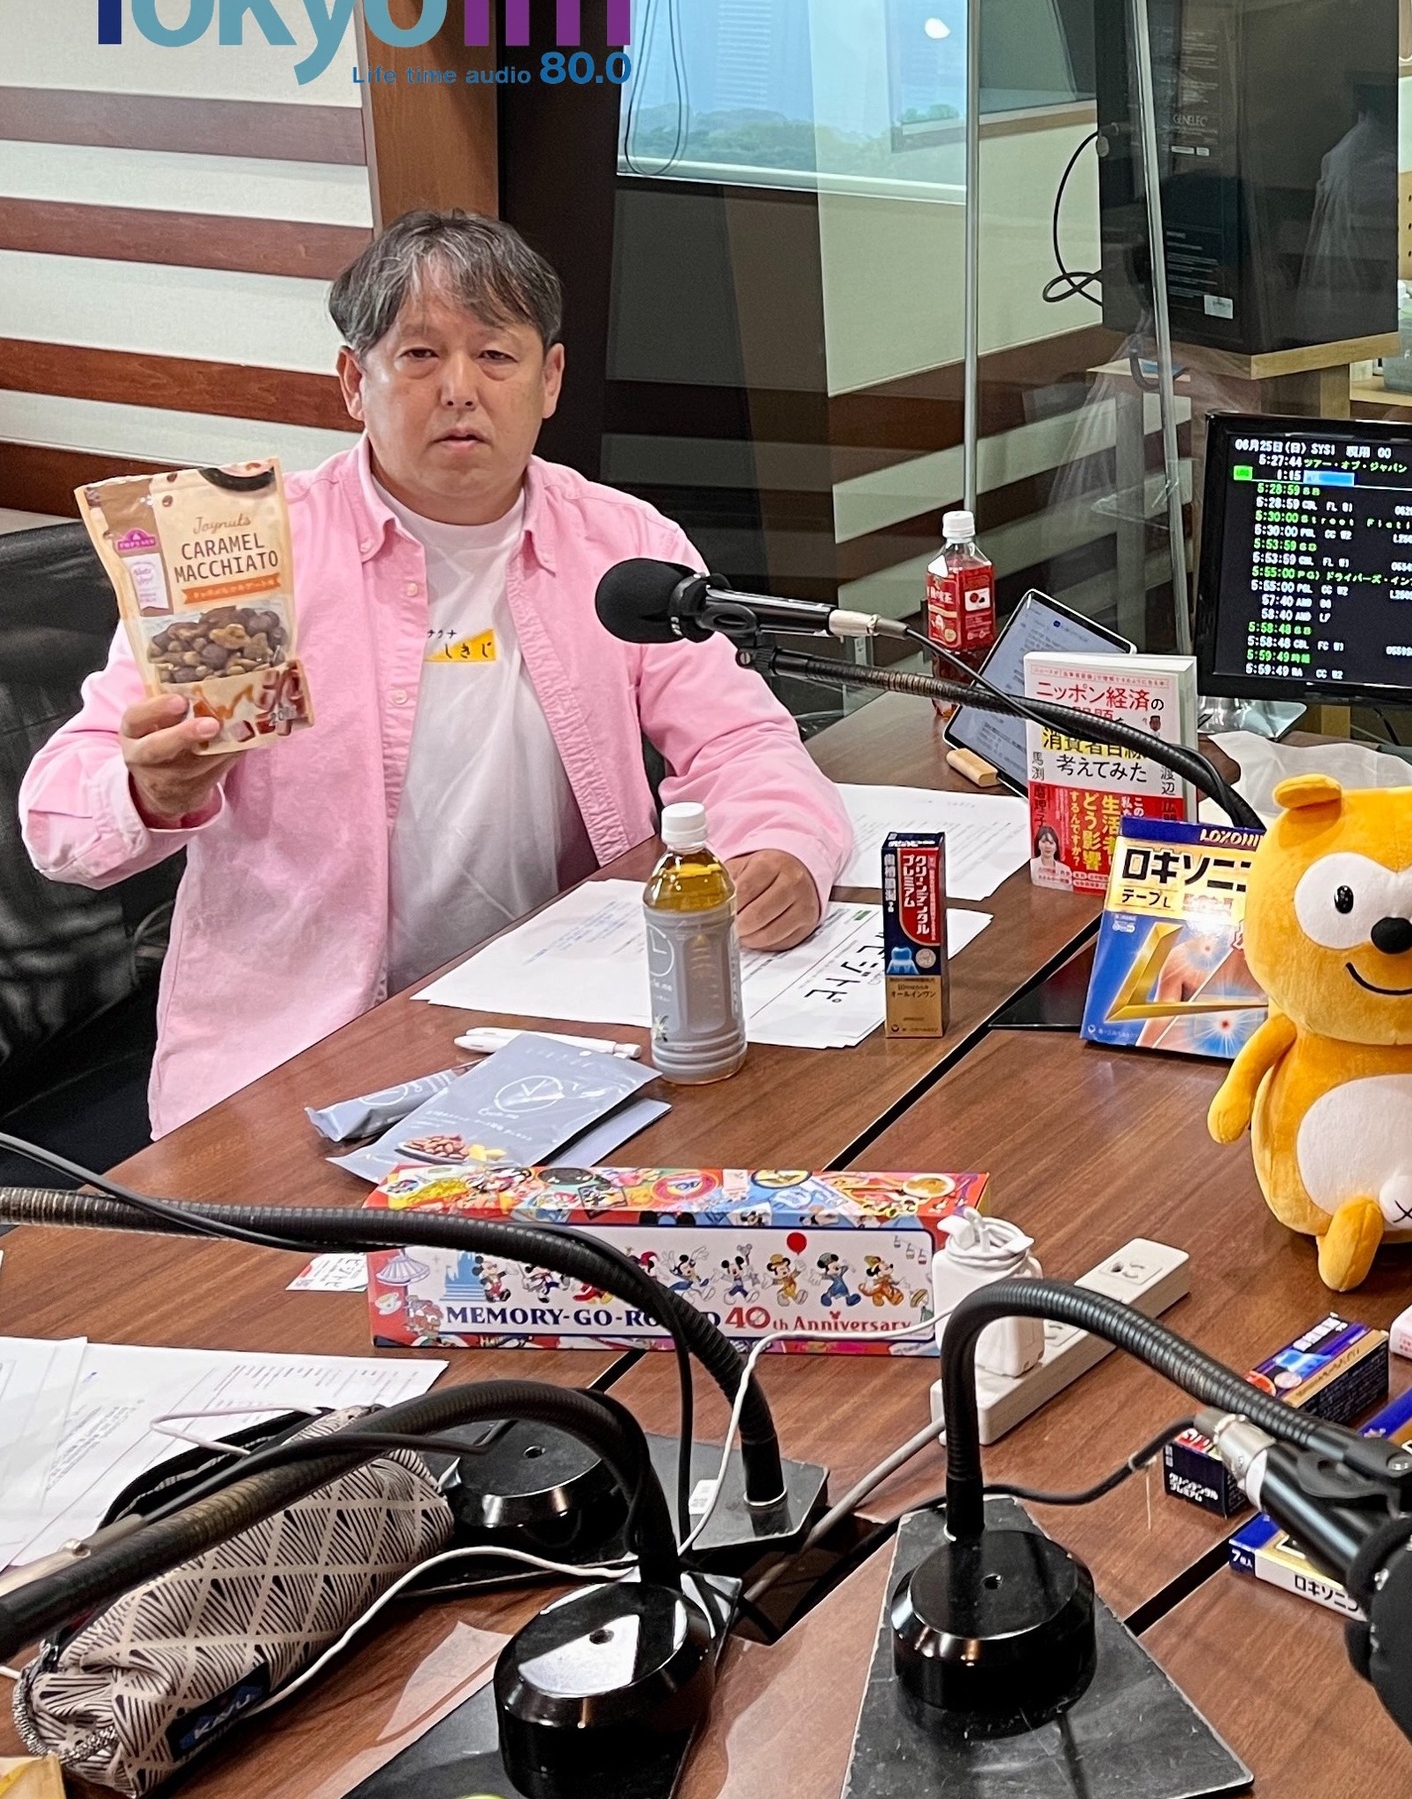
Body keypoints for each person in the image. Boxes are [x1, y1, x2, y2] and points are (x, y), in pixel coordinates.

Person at [22, 209, 852, 1139]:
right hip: (294, 1058)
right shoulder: (248, 558)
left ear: (550, 379)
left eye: (495, 356)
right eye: (419, 355)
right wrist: (147, 789)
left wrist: (783, 847)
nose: (460, 390)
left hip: (566, 1018)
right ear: (354, 381)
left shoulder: (622, 542)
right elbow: (57, 822)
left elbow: (740, 739)